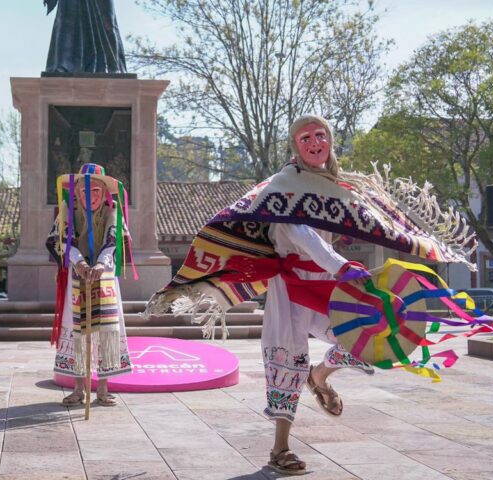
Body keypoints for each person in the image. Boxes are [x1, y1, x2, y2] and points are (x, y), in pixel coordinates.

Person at [146, 115, 476, 476]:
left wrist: (403, 240)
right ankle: (280, 449)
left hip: (328, 282)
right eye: (305, 138)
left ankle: (319, 376)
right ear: (295, 146)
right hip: (290, 286)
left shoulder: (336, 186)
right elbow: (300, 234)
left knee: (367, 336)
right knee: (287, 361)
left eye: (321, 135)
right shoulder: (283, 185)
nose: (315, 142)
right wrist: (341, 265)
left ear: (330, 141)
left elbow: (372, 219)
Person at [47, 163, 134, 407]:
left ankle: (103, 388)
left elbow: (114, 240)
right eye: (85, 190)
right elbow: (60, 240)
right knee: (77, 330)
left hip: (104, 276)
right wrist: (79, 262)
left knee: (107, 330)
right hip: (77, 275)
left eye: (96, 190)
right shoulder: (67, 211)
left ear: (103, 192)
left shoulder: (112, 211)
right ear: (77, 192)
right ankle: (78, 388)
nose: (91, 195)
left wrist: (101, 264)